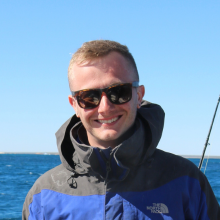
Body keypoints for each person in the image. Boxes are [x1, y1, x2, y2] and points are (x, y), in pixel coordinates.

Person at [22, 40, 220, 220]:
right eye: (89, 97)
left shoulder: (187, 181)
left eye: (119, 92)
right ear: (74, 105)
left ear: (139, 95)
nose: (105, 108)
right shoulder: (43, 194)